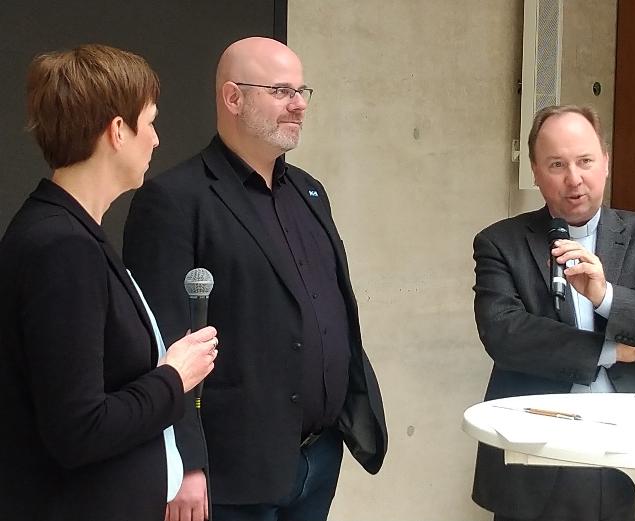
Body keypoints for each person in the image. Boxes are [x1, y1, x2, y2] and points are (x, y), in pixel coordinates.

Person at [123, 37, 387, 521]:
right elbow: (158, 344)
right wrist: (185, 463)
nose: (300, 104)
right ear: (233, 98)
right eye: (282, 91)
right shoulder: (175, 200)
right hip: (230, 469)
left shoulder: (309, 192)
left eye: (303, 90)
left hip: (319, 453)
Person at [0, 44, 219, 521]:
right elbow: (79, 428)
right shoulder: (62, 247)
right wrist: (174, 377)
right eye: (151, 121)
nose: (158, 140)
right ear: (118, 130)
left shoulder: (70, 234)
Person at [471, 104, 635, 521]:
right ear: (535, 173)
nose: (574, 179)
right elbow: (502, 333)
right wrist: (607, 351)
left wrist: (606, 295)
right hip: (542, 450)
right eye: (557, 164)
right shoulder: (500, 242)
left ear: (606, 163)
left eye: (585, 161)